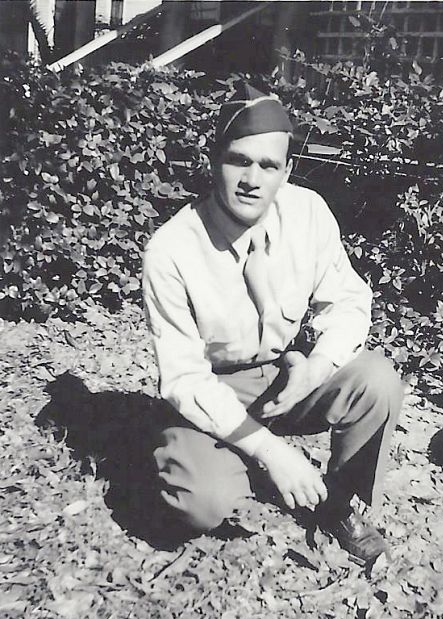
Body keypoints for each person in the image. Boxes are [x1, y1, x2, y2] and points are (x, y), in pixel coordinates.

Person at [142, 82, 404, 564]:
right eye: (239, 161)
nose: (252, 180)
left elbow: (348, 301)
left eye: (268, 165)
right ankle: (233, 454)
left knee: (377, 380)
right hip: (217, 386)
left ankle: (340, 502)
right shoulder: (171, 250)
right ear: (213, 161)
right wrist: (271, 452)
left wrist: (317, 367)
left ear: (287, 170)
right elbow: (185, 378)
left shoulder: (308, 213)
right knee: (200, 502)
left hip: (288, 374)